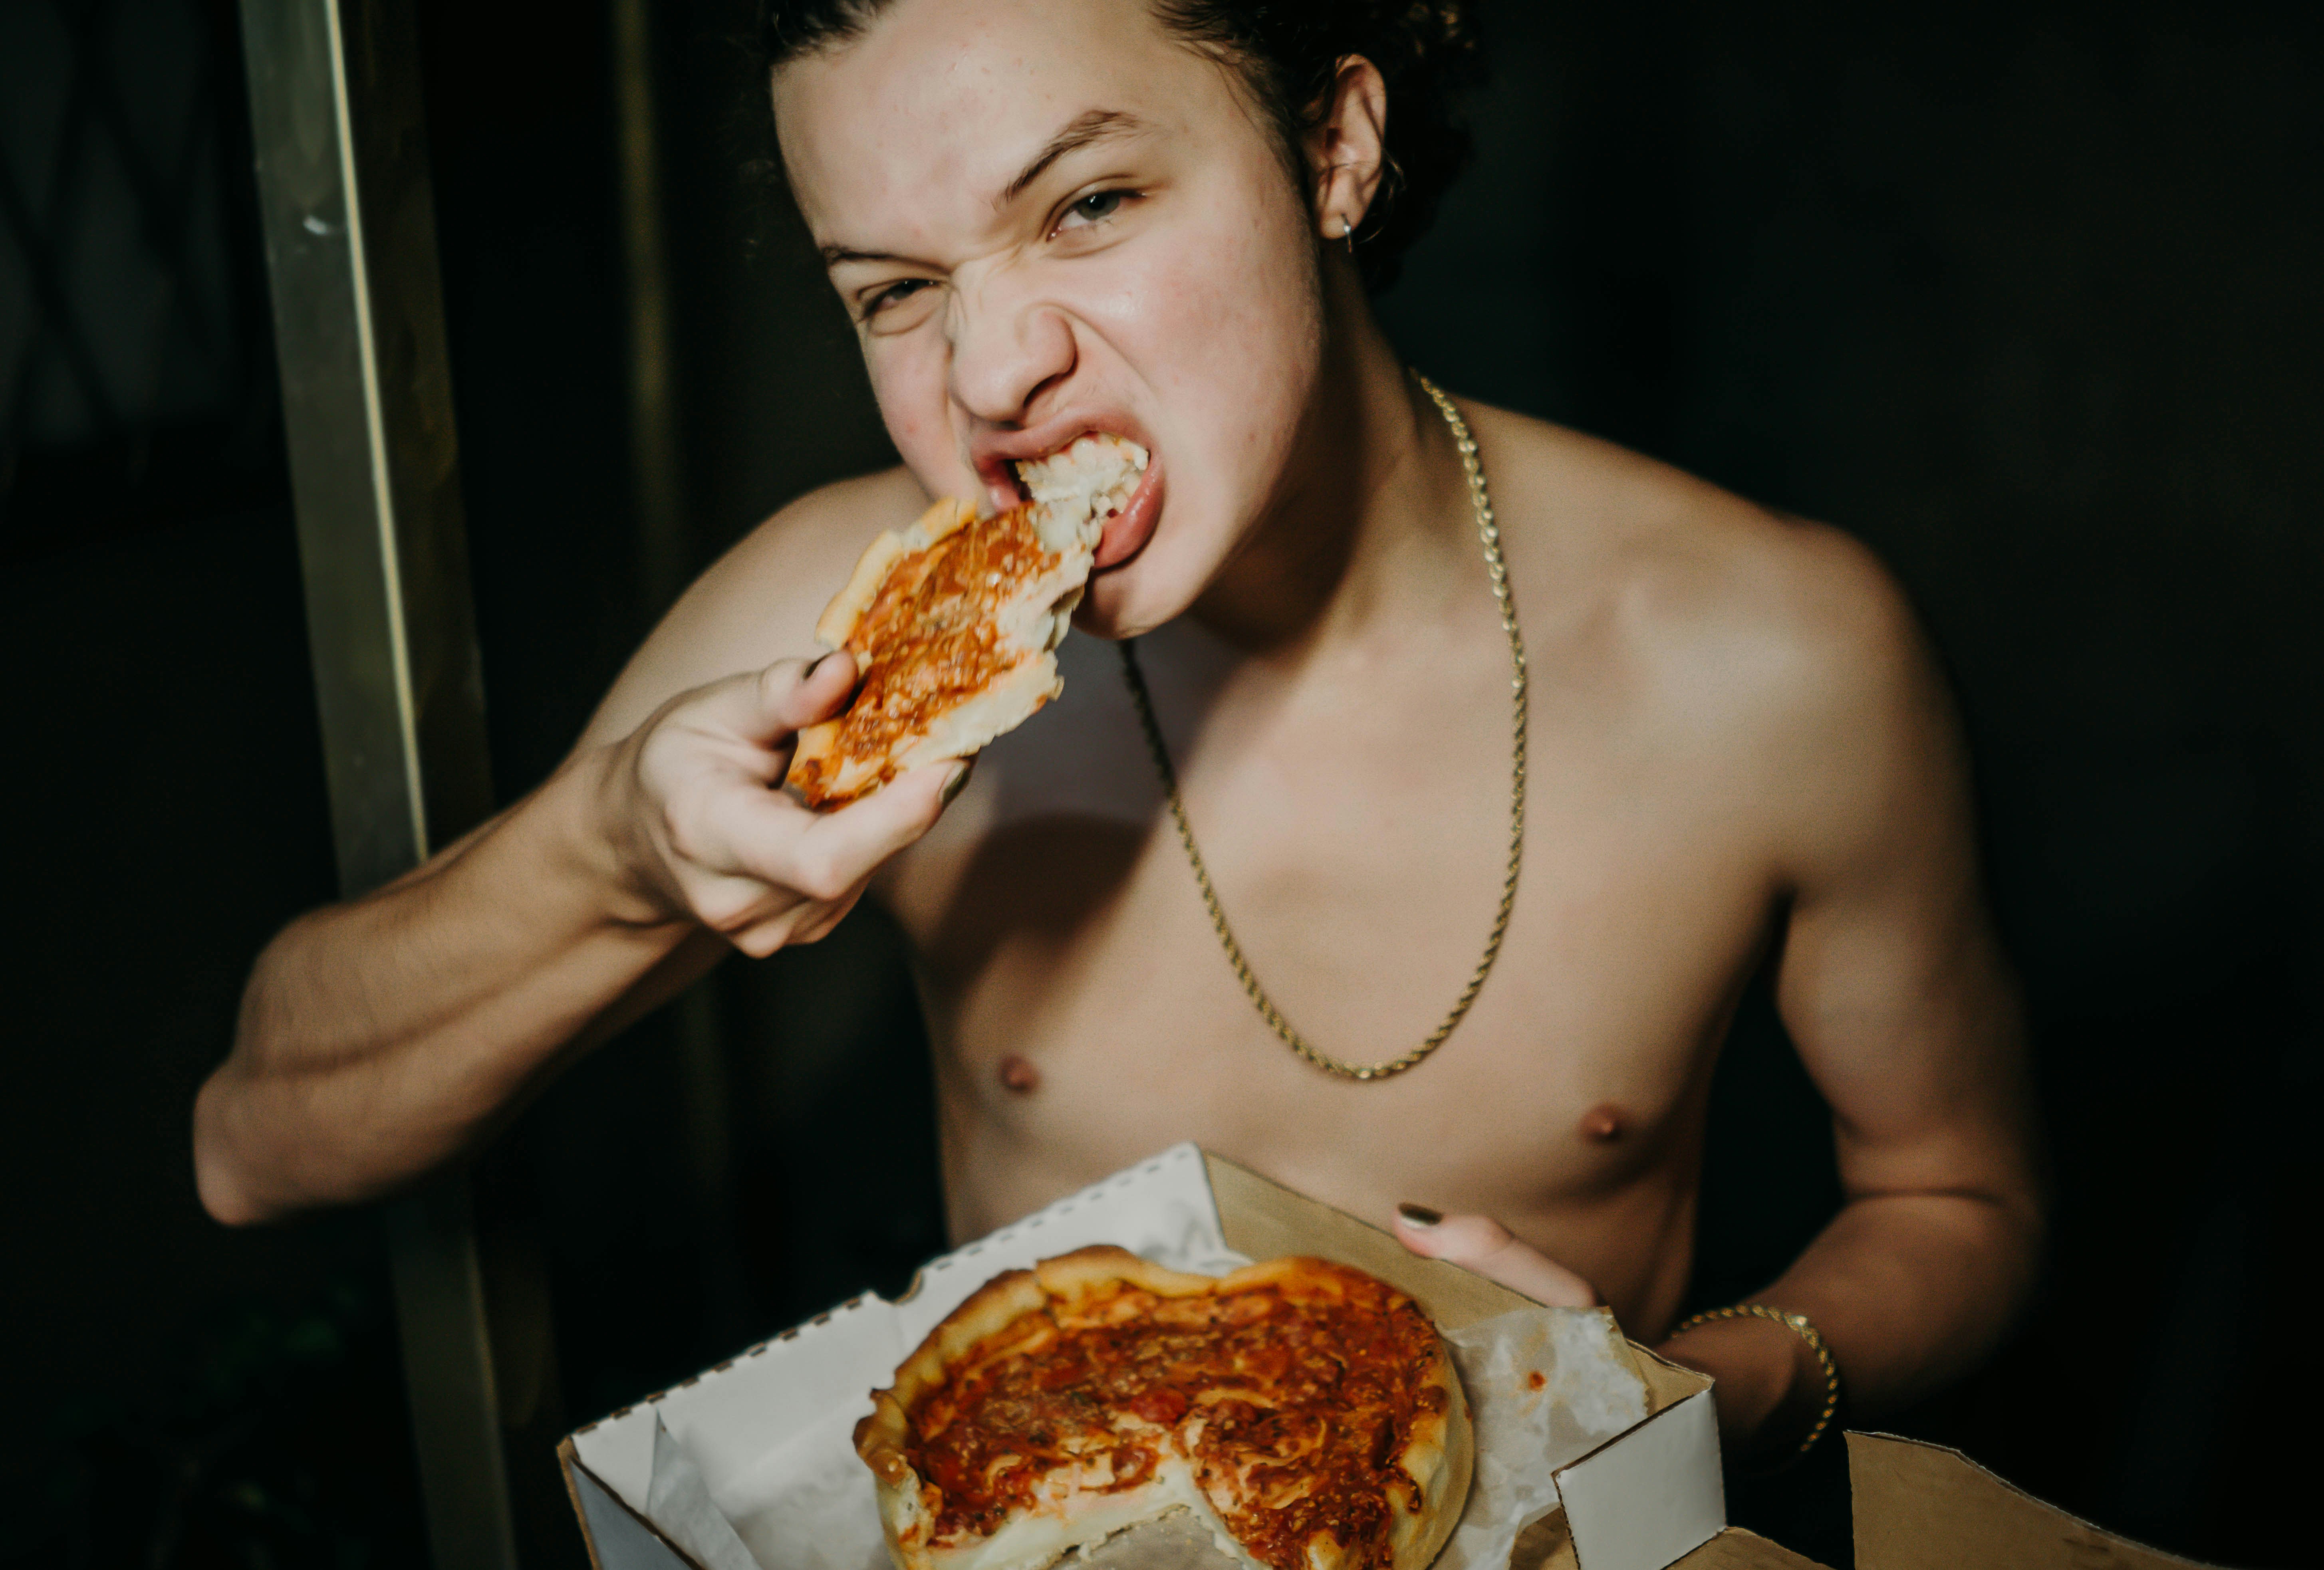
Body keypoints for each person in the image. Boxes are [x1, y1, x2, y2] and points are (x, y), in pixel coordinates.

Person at [194, 0, 2044, 1467]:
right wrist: (612, 851)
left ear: (1333, 141)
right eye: (896, 292)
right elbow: (258, 1138)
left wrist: (1707, 1393)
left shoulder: (1774, 654)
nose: (992, 379)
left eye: (1086, 204)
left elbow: (1962, 1198)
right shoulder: (840, 635)